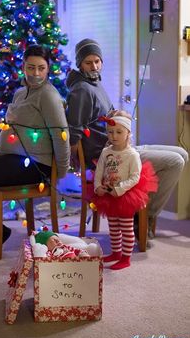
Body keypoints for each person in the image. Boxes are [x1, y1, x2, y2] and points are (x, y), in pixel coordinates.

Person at [66, 38, 188, 237]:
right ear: (79, 64)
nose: (94, 66)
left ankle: (143, 214)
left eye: (97, 61)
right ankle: (144, 217)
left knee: (182, 153)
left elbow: (105, 116)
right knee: (174, 161)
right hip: (110, 157)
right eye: (88, 62)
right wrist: (77, 160)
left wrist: (119, 115)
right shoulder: (82, 90)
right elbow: (74, 130)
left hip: (122, 147)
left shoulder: (94, 84)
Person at [0, 45, 70, 252]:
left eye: (41, 68)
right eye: (31, 67)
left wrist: (58, 173)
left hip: (35, 164)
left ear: (48, 69)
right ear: (23, 67)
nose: (36, 74)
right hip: (12, 156)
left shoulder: (48, 96)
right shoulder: (20, 93)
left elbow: (61, 136)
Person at [89, 112, 158, 270]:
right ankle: (116, 253)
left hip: (126, 195)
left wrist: (120, 189)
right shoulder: (106, 152)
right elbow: (99, 170)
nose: (114, 136)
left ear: (128, 133)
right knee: (113, 227)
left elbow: (135, 177)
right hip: (107, 194)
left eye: (119, 132)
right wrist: (97, 186)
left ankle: (126, 258)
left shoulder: (132, 154)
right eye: (110, 132)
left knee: (126, 228)